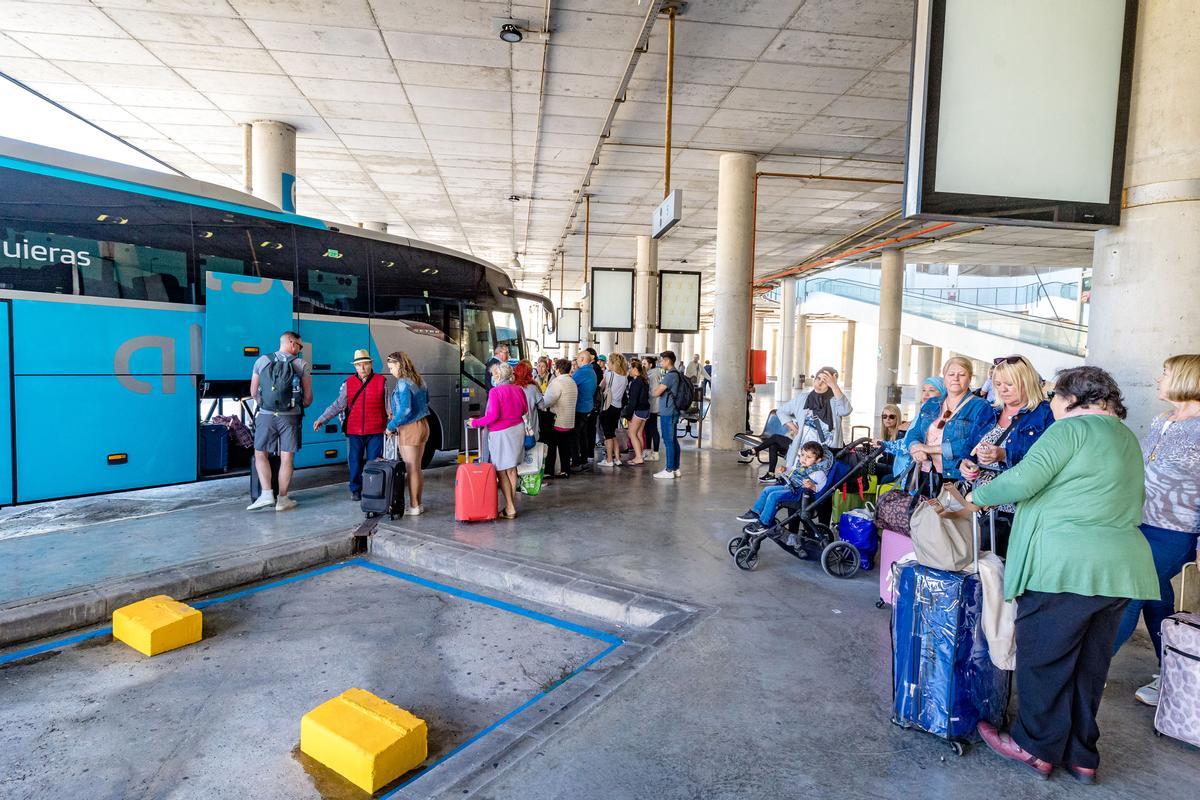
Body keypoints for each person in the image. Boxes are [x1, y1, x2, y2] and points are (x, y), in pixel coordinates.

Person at [959, 366, 1158, 783]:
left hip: (1065, 565)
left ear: (1071, 398)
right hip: (1119, 569)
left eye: (1054, 397)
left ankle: (1034, 747)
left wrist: (972, 499)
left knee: (1045, 660)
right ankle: (1082, 753)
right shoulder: (1125, 437)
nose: (1051, 404)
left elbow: (1024, 480)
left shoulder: (1069, 430)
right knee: (1089, 666)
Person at [1112, 353, 1200, 706]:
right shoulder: (1164, 418)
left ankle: (1089, 668)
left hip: (1176, 530)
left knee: (1131, 592)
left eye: (1165, 373)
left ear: (1186, 379)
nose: (1158, 379)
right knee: (1156, 599)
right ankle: (1176, 669)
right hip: (1141, 523)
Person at [958, 355, 1054, 557]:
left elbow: (1047, 461)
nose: (1002, 389)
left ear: (1025, 381)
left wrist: (1004, 455)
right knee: (982, 571)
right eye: (998, 384)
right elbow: (969, 450)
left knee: (1005, 571)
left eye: (1010, 384)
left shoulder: (1044, 414)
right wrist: (966, 464)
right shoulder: (989, 412)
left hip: (1015, 509)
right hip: (979, 507)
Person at [902, 357, 996, 488]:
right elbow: (914, 432)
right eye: (951, 374)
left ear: (970, 378)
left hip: (955, 476)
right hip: (924, 472)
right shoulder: (931, 403)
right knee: (919, 508)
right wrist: (915, 448)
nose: (955, 378)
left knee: (948, 509)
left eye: (962, 375)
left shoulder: (981, 406)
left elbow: (976, 443)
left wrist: (929, 449)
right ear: (944, 378)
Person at [247, 330, 312, 512]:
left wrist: (267, 406)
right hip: (290, 417)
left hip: (266, 415)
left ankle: (266, 494)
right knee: (287, 457)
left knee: (260, 453)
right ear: (291, 342)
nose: (299, 350)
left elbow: (253, 392)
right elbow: (308, 397)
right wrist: (296, 406)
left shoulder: (262, 361)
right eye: (299, 346)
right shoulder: (301, 364)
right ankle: (283, 499)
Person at [311, 349, 388, 501]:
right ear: (355, 367)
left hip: (376, 429)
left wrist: (391, 426)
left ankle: (372, 489)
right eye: (359, 365)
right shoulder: (348, 383)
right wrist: (322, 419)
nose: (362, 368)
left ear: (371, 364)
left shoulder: (381, 381)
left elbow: (389, 406)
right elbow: (338, 405)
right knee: (354, 461)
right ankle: (356, 489)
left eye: (365, 364)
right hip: (354, 430)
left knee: (374, 462)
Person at [469, 362, 528, 519]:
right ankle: (511, 503)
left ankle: (510, 507)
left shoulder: (496, 392)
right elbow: (524, 409)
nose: (493, 377)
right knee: (512, 468)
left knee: (501, 470)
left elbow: (493, 416)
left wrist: (474, 422)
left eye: (494, 374)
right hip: (517, 430)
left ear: (499, 376)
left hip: (501, 433)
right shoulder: (519, 390)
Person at [735, 441, 830, 531]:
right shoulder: (801, 465)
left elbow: (823, 488)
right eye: (802, 455)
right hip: (790, 487)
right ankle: (755, 512)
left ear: (818, 460)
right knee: (767, 490)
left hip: (798, 493)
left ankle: (764, 522)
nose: (804, 459)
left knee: (773, 496)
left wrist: (813, 486)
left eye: (808, 457)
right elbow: (792, 471)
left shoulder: (818, 473)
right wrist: (785, 469)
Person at [777, 366, 852, 467]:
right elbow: (781, 411)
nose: (819, 383)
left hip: (826, 453)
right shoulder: (802, 398)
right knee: (798, 478)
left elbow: (846, 410)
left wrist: (834, 385)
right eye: (818, 379)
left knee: (819, 480)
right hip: (803, 451)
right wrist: (794, 428)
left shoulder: (835, 401)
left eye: (825, 381)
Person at [384, 351, 430, 515]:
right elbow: (427, 401)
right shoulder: (420, 380)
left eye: (391, 367)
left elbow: (406, 409)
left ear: (398, 364)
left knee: (411, 468)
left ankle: (414, 506)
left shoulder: (403, 383)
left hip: (410, 428)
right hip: (423, 425)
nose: (391, 371)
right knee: (417, 468)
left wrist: (391, 425)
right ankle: (418, 503)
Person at [540, 358, 578, 480]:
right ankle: (565, 470)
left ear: (557, 369)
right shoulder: (572, 382)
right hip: (569, 421)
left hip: (557, 420)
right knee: (565, 448)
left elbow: (547, 401)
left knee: (551, 447)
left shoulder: (557, 382)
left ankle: (550, 471)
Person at [651, 350, 683, 480]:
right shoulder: (677, 374)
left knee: (669, 441)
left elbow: (656, 393)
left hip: (668, 412)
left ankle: (669, 470)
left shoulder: (670, 376)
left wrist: (657, 387)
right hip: (673, 411)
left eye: (661, 360)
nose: (660, 362)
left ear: (668, 361)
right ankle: (675, 468)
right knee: (673, 440)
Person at [598, 353, 629, 468]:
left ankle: (609, 459)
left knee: (607, 435)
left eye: (609, 362)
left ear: (612, 363)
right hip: (617, 407)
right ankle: (617, 458)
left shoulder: (609, 374)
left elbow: (601, 387)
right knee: (612, 433)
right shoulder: (624, 377)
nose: (607, 364)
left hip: (607, 406)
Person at [570, 350, 598, 471]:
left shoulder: (581, 372)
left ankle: (576, 463)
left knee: (574, 435)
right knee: (583, 435)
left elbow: (570, 384)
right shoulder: (592, 371)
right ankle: (584, 460)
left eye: (577, 358)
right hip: (588, 407)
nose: (576, 361)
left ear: (582, 359)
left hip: (579, 407)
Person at [623, 360, 650, 465]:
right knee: (639, 433)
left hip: (638, 411)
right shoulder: (643, 380)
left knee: (632, 433)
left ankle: (638, 457)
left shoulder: (636, 383)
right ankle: (640, 455)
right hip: (645, 410)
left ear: (635, 369)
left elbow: (633, 401)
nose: (629, 370)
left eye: (630, 368)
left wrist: (628, 415)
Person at [514, 359, 542, 446]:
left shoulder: (512, 388)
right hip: (531, 430)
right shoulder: (533, 388)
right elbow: (542, 405)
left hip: (515, 431)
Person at [643, 356, 662, 462]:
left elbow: (654, 392)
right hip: (649, 405)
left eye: (645, 363)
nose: (643, 365)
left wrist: (644, 392)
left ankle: (655, 453)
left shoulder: (653, 375)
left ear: (651, 365)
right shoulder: (650, 373)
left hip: (652, 406)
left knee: (653, 429)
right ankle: (649, 451)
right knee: (648, 429)